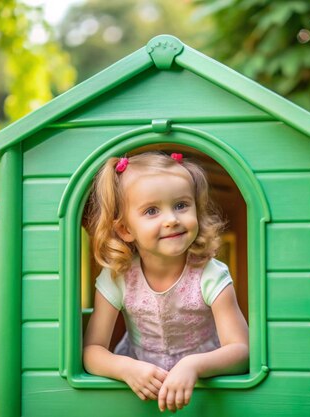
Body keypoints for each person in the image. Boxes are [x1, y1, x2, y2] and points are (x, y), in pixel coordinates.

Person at [83, 151, 249, 412]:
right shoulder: (118, 276)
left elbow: (241, 350)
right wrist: (126, 368)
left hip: (206, 384)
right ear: (126, 229)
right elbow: (92, 350)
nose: (172, 219)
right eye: (151, 211)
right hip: (140, 381)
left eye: (181, 205)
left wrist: (193, 365)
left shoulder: (210, 274)